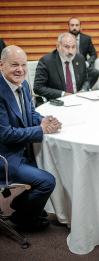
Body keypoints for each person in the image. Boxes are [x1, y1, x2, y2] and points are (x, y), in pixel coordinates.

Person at [0, 45, 62, 230]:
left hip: (23, 150)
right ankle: (23, 218)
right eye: (15, 65)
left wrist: (45, 121)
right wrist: (41, 130)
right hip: (5, 157)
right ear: (1, 65)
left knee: (53, 167)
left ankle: (21, 204)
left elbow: (31, 113)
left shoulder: (23, 84)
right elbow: (6, 134)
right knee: (47, 181)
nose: (20, 69)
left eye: (24, 65)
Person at [33, 32, 90, 100]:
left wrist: (82, 91)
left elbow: (86, 80)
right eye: (66, 47)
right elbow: (38, 87)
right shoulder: (46, 61)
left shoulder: (80, 59)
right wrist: (63, 94)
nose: (70, 51)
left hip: (78, 99)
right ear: (58, 46)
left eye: (73, 47)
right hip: (58, 101)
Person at [68, 17, 99, 89]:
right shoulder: (64, 39)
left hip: (83, 68)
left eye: (77, 25)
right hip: (68, 68)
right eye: (72, 25)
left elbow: (93, 54)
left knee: (95, 72)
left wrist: (87, 63)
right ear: (68, 27)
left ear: (80, 27)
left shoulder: (86, 38)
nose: (74, 27)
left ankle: (84, 90)